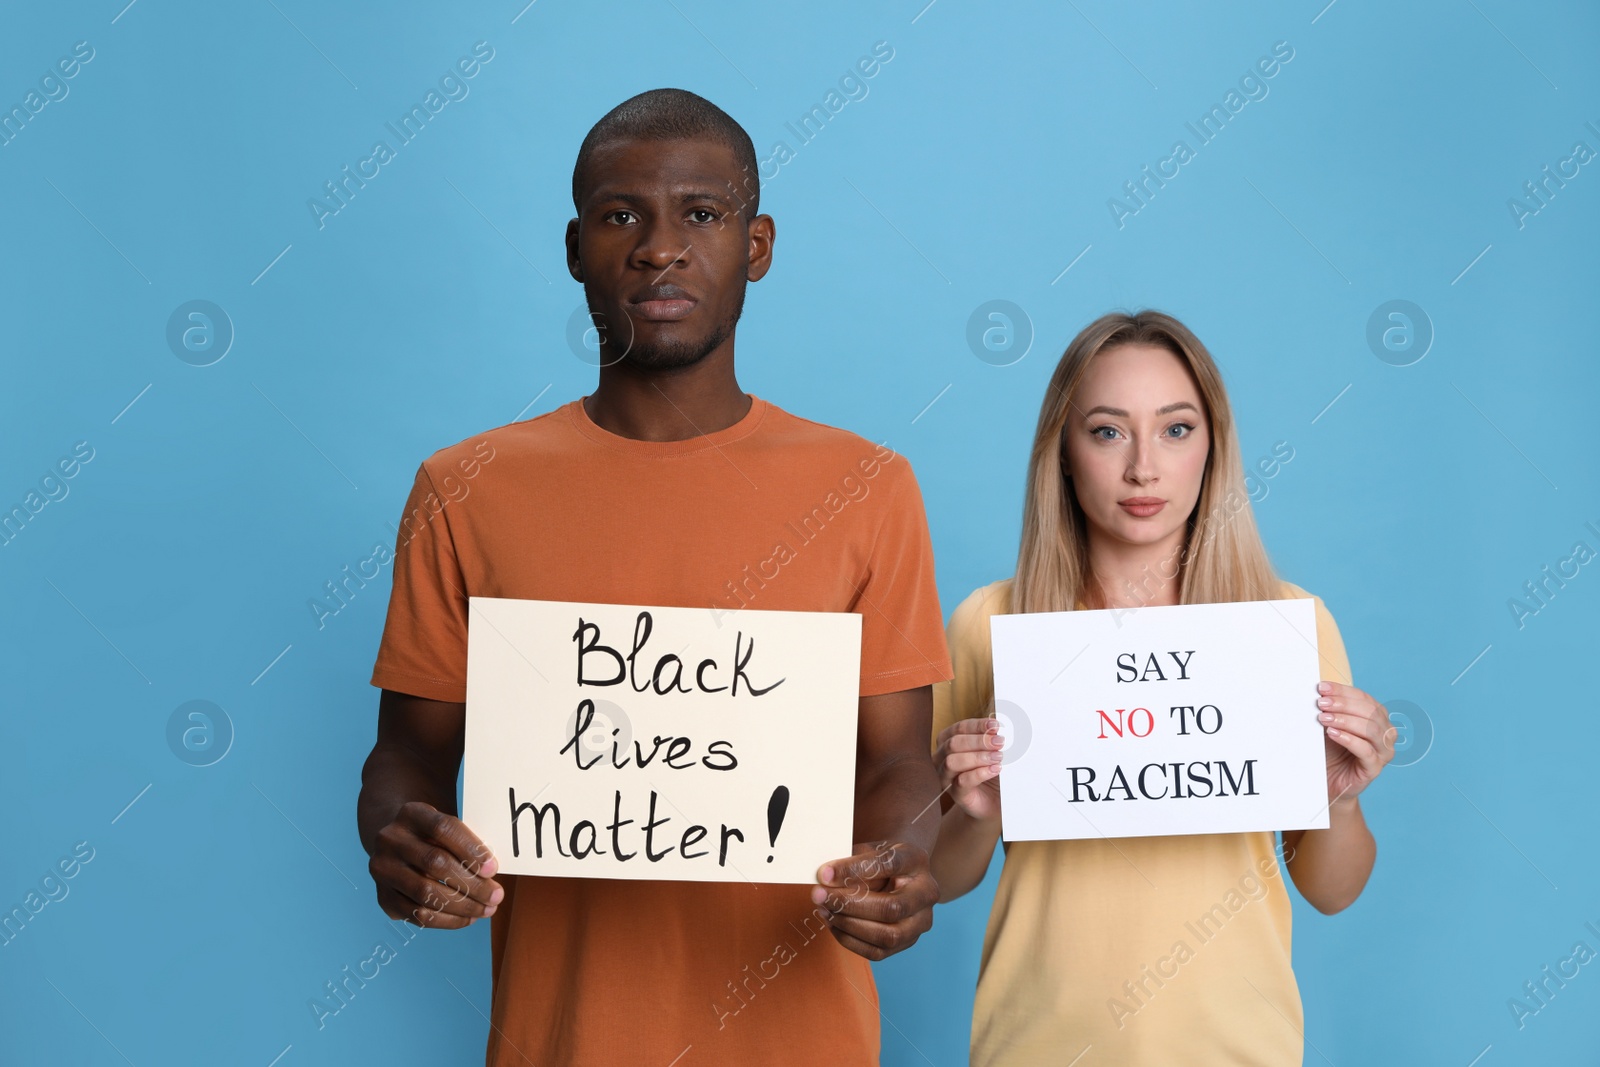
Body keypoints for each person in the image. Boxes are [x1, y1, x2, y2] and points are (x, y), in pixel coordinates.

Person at [356, 89, 953, 1065]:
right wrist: (403, 841)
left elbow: (897, 764)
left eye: (702, 213)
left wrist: (900, 863)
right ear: (574, 246)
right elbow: (407, 756)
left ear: (756, 245)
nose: (658, 246)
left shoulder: (865, 488)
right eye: (620, 214)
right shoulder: (462, 487)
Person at [929, 310, 1395, 1065]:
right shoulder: (992, 622)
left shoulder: (1287, 624)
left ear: (1212, 449)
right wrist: (980, 812)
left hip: (1237, 1046)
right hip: (1037, 1044)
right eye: (1108, 431)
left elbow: (1332, 890)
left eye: (1176, 429)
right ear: (1063, 453)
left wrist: (1339, 798)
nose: (1143, 467)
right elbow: (942, 878)